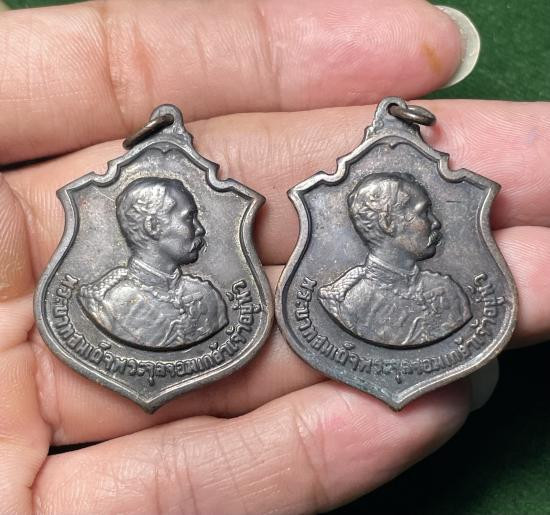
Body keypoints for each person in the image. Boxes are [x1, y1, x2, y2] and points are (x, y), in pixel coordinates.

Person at [0, 1, 546, 513]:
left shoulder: (214, 300)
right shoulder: (107, 300)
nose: (199, 228)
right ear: (148, 228)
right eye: (186, 219)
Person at [319, 172, 471, 347]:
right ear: (388, 223)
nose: (436, 222)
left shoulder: (447, 290)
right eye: (424, 213)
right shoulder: (348, 304)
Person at [78, 177, 228, 349]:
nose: (200, 229)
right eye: (189, 218)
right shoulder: (105, 304)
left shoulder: (207, 295)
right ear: (153, 226)